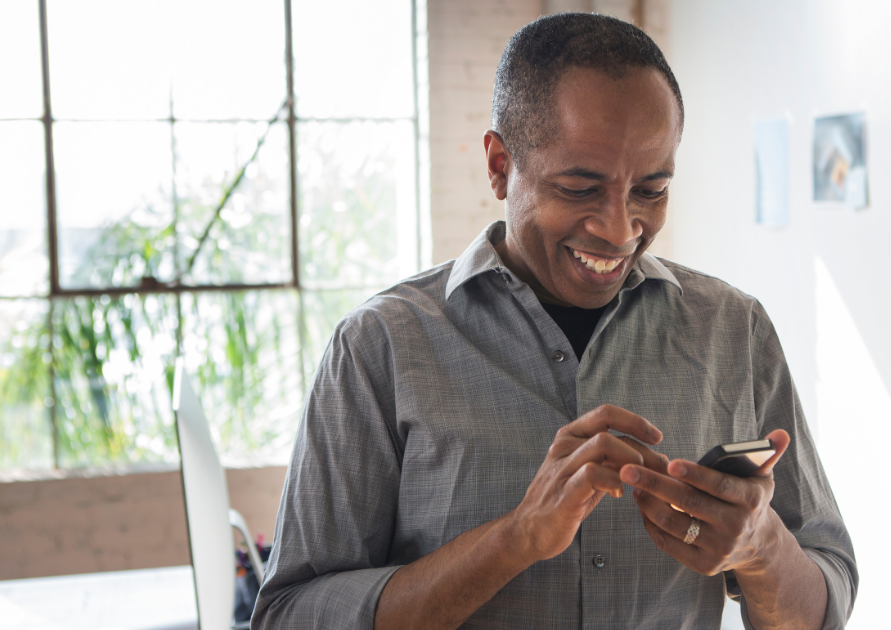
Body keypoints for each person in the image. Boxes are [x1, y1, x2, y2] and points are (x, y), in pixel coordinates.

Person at [253, 12, 856, 630]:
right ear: (498, 166)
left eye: (650, 191)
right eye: (579, 188)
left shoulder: (735, 330)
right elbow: (287, 615)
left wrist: (760, 548)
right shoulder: (378, 347)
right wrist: (515, 539)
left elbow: (824, 598)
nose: (621, 231)